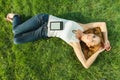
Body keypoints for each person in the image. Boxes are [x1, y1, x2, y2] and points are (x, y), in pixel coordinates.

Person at [5, 13, 111, 69]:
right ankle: (16, 16)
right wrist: (106, 40)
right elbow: (102, 24)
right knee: (16, 30)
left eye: (92, 41)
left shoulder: (75, 44)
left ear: (88, 45)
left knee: (17, 39)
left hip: (44, 32)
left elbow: (86, 65)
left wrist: (99, 51)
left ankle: (17, 20)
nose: (90, 37)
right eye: (93, 36)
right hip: (43, 19)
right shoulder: (83, 27)